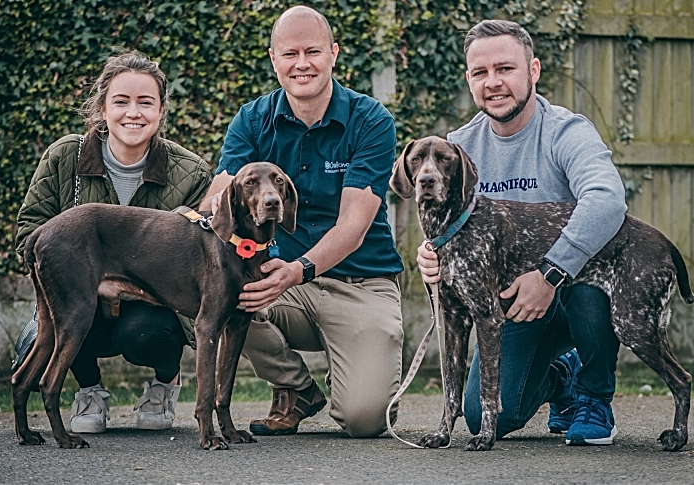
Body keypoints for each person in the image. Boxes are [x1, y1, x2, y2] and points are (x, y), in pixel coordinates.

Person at [417, 20, 627, 446]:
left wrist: (551, 274)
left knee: (589, 289)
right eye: (480, 73)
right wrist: (432, 255)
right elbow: (451, 226)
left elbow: (608, 200)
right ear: (469, 80)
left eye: (505, 69)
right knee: (485, 416)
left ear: (533, 70)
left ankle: (593, 396)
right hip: (512, 303)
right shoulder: (458, 149)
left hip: (573, 289)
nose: (493, 83)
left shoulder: (567, 131)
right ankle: (560, 378)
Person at [200, 5, 404, 438]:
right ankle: (296, 388)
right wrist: (208, 211)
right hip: (275, 283)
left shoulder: (370, 120)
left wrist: (299, 270)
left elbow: (354, 225)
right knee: (204, 296)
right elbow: (219, 194)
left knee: (365, 420)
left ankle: (355, 369)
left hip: (359, 282)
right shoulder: (252, 120)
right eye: (289, 54)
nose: (302, 63)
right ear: (274, 60)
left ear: (333, 53)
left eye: (313, 51)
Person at [14, 51, 212, 434]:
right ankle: (88, 390)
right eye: (120, 101)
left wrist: (133, 283)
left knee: (147, 332)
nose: (132, 113)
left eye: (145, 102)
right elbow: (29, 234)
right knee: (75, 313)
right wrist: (84, 270)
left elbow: (198, 257)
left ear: (161, 110)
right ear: (102, 107)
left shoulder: (191, 171)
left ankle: (163, 386)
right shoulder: (64, 156)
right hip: (80, 292)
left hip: (150, 306)